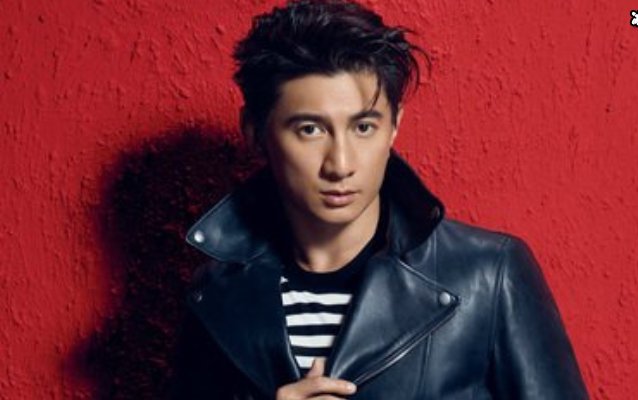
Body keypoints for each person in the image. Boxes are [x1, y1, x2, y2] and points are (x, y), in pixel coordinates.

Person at [170, 0, 589, 399]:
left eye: (363, 127)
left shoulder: (487, 274)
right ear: (255, 131)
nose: (341, 164)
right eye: (310, 130)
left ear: (394, 126)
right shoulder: (217, 293)